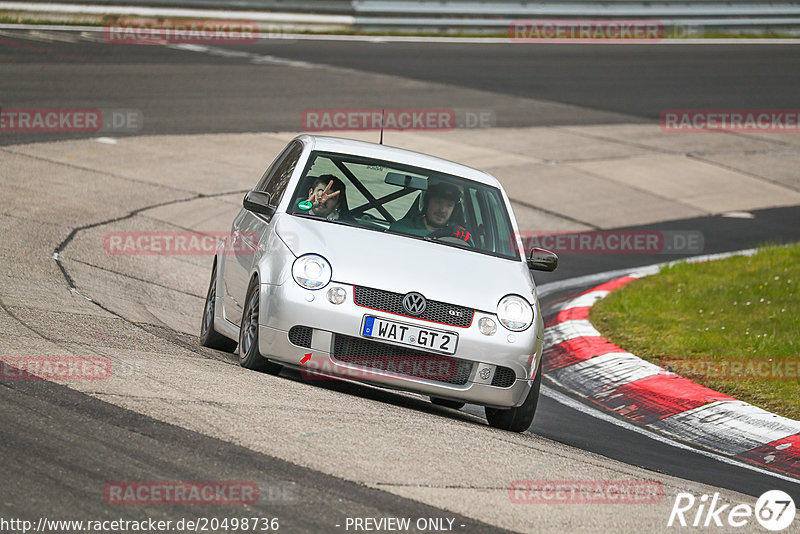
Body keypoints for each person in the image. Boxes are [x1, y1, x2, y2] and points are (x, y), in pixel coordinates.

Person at [390, 182, 472, 244]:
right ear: (427, 204)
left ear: (454, 210)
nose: (442, 210)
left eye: (449, 205)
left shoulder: (461, 236)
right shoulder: (401, 228)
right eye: (438, 202)